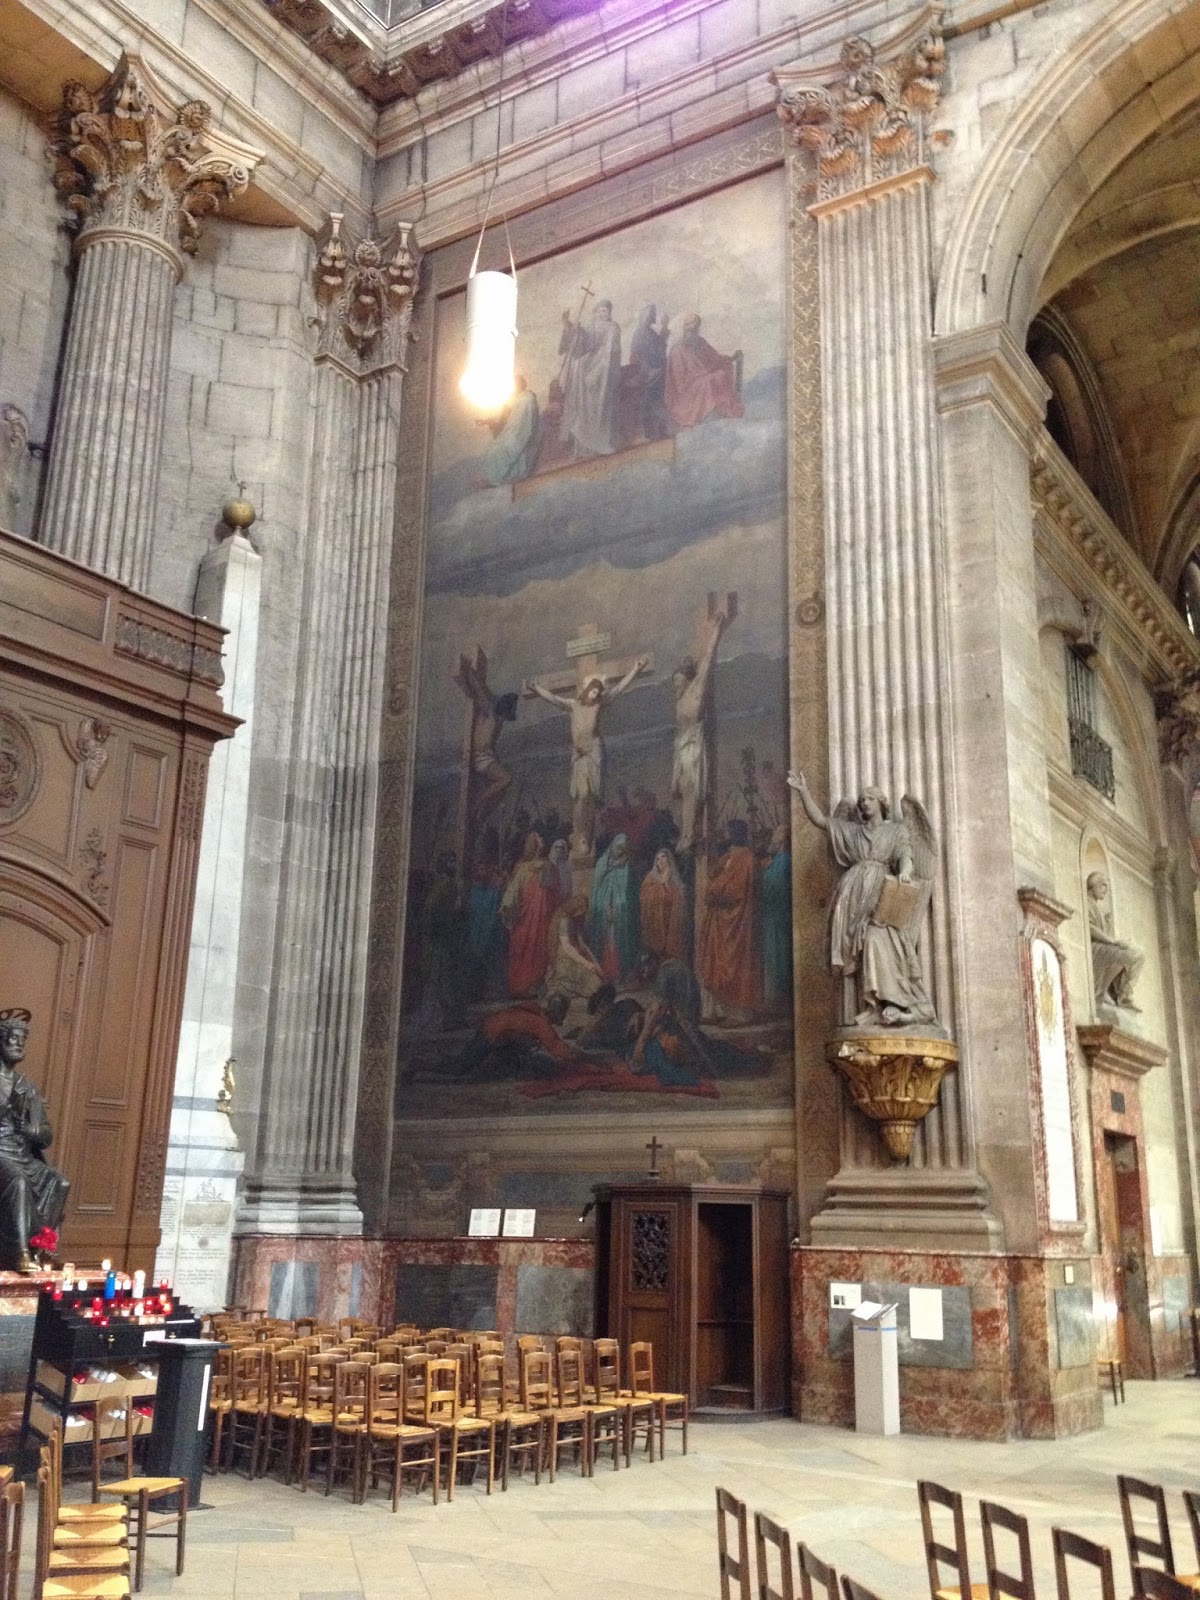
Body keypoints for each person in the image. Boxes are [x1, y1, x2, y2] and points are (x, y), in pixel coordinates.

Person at [787, 770, 936, 1028]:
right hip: (852, 893)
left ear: (881, 804)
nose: (864, 802)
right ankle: (873, 1005)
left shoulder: (896, 832)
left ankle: (892, 1001)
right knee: (859, 945)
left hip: (880, 888)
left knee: (880, 938)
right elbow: (822, 820)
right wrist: (803, 792)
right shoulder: (852, 831)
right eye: (862, 799)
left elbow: (905, 856)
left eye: (869, 798)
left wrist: (905, 872)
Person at [524, 659, 649, 859]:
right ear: (587, 689)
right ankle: (579, 834)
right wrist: (537, 688)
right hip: (579, 756)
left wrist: (635, 669)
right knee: (579, 797)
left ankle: (585, 837)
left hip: (593, 754)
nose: (594, 695)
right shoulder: (573, 705)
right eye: (592, 691)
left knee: (588, 795)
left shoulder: (598, 705)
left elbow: (618, 689)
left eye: (597, 693)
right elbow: (553, 699)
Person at [0, 1010, 69, 1272]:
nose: (19, 1045)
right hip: (0, 1153)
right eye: (13, 1039)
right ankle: (20, 1253)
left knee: (59, 1182)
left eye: (22, 1040)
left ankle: (42, 1248)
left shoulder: (27, 1087)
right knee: (17, 1181)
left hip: (21, 1154)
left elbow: (46, 1135)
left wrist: (29, 1129)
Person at [672, 607, 727, 851]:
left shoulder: (696, 691)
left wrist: (715, 631)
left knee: (691, 788)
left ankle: (689, 833)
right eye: (675, 682)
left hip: (693, 746)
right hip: (682, 748)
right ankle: (686, 832)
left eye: (679, 681)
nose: (677, 685)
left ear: (688, 679)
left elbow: (706, 661)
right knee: (684, 788)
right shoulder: (681, 698)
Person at [698, 819, 762, 1018]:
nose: (725, 835)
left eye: (728, 831)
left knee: (738, 964)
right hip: (718, 921)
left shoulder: (748, 859)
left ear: (736, 833)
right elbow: (710, 889)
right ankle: (719, 1011)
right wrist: (713, 890)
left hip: (738, 921)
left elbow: (734, 891)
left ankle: (738, 1013)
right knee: (715, 962)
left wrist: (716, 890)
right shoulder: (725, 857)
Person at [500, 832, 563, 996]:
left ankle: (536, 985)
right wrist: (508, 907)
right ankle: (520, 986)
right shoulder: (523, 868)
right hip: (525, 917)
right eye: (538, 840)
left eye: (542, 839)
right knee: (522, 948)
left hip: (544, 919)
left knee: (540, 950)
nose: (541, 841)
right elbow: (513, 892)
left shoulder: (550, 867)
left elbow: (557, 894)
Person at [558, 298, 622, 456]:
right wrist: (570, 326)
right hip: (588, 372)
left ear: (609, 313)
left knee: (601, 408)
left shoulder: (613, 327)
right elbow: (581, 343)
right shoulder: (591, 326)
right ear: (595, 313)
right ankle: (583, 448)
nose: (602, 314)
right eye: (600, 311)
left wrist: (597, 369)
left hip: (604, 374)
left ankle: (600, 442)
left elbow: (610, 350)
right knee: (584, 409)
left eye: (605, 311)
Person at [665, 313, 743, 430]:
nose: (693, 333)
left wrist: (730, 358)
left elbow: (715, 357)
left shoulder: (700, 342)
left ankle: (722, 411)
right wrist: (700, 375)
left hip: (701, 379)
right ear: (685, 330)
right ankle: (706, 415)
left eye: (695, 330)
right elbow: (679, 380)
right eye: (690, 331)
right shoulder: (678, 350)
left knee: (720, 375)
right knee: (709, 381)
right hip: (687, 388)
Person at [1086, 871, 1143, 1011]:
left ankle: (1124, 994)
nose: (1104, 892)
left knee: (1138, 954)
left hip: (1105, 946)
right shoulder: (1086, 903)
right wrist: (1113, 942)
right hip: (1094, 949)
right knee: (1128, 955)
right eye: (1102, 887)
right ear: (1093, 885)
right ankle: (1101, 991)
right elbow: (1091, 928)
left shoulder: (1098, 907)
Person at [589, 833, 640, 982]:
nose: (620, 851)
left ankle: (621, 972)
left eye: (623, 849)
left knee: (620, 941)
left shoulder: (628, 867)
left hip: (623, 914)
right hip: (604, 911)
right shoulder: (601, 864)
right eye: (618, 848)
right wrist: (607, 907)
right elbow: (597, 891)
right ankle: (603, 972)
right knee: (606, 941)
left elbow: (631, 894)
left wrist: (623, 908)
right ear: (612, 847)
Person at [481, 374, 540, 484]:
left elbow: (532, 418)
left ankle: (512, 476)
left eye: (517, 383)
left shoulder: (529, 397)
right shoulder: (509, 400)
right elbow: (503, 419)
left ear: (522, 384)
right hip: (510, 431)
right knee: (494, 450)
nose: (515, 386)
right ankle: (496, 479)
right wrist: (489, 421)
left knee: (511, 446)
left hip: (523, 432)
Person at [545, 894, 605, 1002]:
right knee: (592, 987)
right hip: (565, 957)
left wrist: (596, 964)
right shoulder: (564, 920)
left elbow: (583, 946)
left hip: (575, 955)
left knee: (597, 985)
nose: (582, 914)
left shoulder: (575, 919)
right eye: (581, 911)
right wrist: (587, 964)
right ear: (574, 908)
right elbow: (567, 947)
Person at [760, 824, 793, 1011]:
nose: (773, 837)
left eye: (777, 834)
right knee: (772, 957)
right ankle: (775, 1000)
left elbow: (776, 887)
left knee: (778, 957)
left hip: (779, 917)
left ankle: (780, 1001)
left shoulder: (785, 860)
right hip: (771, 916)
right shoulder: (776, 860)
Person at [626, 303, 670, 442]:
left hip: (654, 370)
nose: (653, 316)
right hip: (647, 372)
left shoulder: (649, 332)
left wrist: (664, 328)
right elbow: (652, 353)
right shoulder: (642, 333)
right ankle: (651, 432)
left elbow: (659, 347)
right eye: (651, 314)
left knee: (657, 401)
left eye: (653, 313)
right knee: (650, 402)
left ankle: (658, 431)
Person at [639, 847, 689, 964]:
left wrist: (667, 883)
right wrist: (661, 884)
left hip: (671, 921)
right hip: (655, 922)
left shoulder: (674, 879)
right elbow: (644, 897)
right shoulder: (651, 877)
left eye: (663, 857)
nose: (661, 860)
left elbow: (679, 896)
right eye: (658, 859)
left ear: (668, 860)